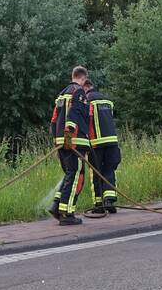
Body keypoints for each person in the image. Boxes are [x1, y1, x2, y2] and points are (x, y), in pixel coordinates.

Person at [49, 66, 91, 225]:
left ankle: (56, 206)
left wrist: (56, 140)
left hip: (62, 141)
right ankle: (66, 214)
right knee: (75, 176)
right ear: (83, 78)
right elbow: (74, 113)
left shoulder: (61, 94)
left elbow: (54, 120)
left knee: (68, 175)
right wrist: (69, 133)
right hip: (74, 141)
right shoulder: (78, 92)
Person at [83, 79, 122, 214]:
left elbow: (86, 121)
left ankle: (99, 204)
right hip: (112, 142)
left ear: (87, 87)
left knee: (96, 172)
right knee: (109, 170)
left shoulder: (87, 101)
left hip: (96, 143)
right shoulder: (107, 101)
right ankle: (109, 200)